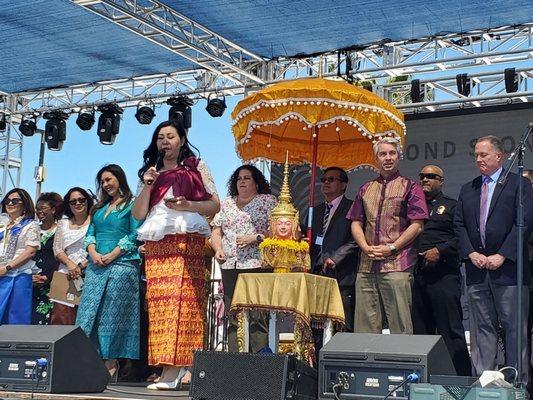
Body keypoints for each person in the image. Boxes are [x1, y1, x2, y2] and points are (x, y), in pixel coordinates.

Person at [132, 118, 220, 390]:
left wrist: (188, 205)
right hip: (158, 242)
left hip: (186, 238)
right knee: (160, 306)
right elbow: (137, 214)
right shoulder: (150, 172)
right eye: (160, 138)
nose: (165, 142)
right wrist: (148, 184)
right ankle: (168, 365)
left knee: (184, 301)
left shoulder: (196, 167)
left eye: (170, 136)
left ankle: (176, 367)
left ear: (181, 139)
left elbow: (214, 205)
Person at [454, 135, 533, 385]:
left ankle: (517, 383)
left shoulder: (518, 184)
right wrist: (472, 253)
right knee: (482, 329)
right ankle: (484, 383)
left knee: (513, 328)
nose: (478, 159)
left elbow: (524, 223)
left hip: (508, 270)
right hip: (477, 269)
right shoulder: (469, 188)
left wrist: (502, 254)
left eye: (483, 154)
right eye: (476, 154)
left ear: (499, 157)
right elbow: (459, 225)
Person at [347, 137, 428, 334]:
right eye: (383, 154)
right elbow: (356, 222)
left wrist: (391, 247)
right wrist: (365, 247)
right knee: (364, 327)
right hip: (367, 265)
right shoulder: (365, 189)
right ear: (376, 158)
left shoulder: (410, 186)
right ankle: (366, 365)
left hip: (397, 264)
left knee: (400, 326)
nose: (388, 158)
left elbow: (417, 225)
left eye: (392, 153)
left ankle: (402, 365)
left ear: (399, 156)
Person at [76, 165, 142, 378]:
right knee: (88, 314)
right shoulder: (98, 208)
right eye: (102, 181)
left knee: (112, 315)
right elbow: (90, 234)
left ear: (119, 179)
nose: (105, 185)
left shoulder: (132, 204)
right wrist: (93, 252)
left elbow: (135, 234)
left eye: (108, 179)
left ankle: (112, 361)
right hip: (96, 266)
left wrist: (113, 254)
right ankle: (88, 360)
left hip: (122, 266)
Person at [411, 165, 471, 375]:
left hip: (443, 275)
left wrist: (440, 250)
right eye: (422, 176)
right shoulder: (413, 208)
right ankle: (423, 380)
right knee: (421, 331)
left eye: (431, 176)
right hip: (418, 275)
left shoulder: (452, 206)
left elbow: (462, 237)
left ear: (441, 181)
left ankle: (461, 379)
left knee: (450, 329)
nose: (425, 180)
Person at [211, 165, 277, 352]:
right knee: (234, 312)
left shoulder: (268, 201)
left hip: (258, 264)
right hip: (230, 265)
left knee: (258, 315)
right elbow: (216, 232)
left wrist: (255, 238)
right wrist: (218, 249)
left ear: (256, 182)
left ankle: (258, 360)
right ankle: (234, 360)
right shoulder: (227, 203)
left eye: (247, 178)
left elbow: (277, 232)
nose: (242, 182)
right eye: (239, 178)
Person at [307, 167, 358, 332]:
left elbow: (356, 240)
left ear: (343, 185)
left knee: (342, 323)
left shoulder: (353, 208)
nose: (326, 183)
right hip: (316, 273)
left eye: (331, 179)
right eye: (324, 180)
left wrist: (336, 257)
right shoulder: (315, 210)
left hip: (341, 274)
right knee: (316, 323)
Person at [50, 187, 93, 325]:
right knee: (60, 320)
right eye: (73, 201)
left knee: (87, 320)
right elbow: (57, 249)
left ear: (88, 201)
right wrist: (70, 265)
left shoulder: (96, 221)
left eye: (81, 200)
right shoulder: (63, 223)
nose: (78, 204)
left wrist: (81, 267)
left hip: (91, 272)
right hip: (66, 274)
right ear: (68, 205)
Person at [0, 188, 40, 324]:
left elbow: (30, 251)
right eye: (7, 201)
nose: (10, 203)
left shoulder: (30, 225)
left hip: (17, 275)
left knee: (15, 319)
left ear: (24, 204)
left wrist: (7, 267)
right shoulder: (2, 226)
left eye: (15, 201)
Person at [32, 192, 62, 325]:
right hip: (33, 281)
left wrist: (49, 277)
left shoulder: (61, 229)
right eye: (38, 208)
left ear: (53, 209)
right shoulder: (33, 229)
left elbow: (61, 256)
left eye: (43, 208)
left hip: (54, 282)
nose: (40, 212)